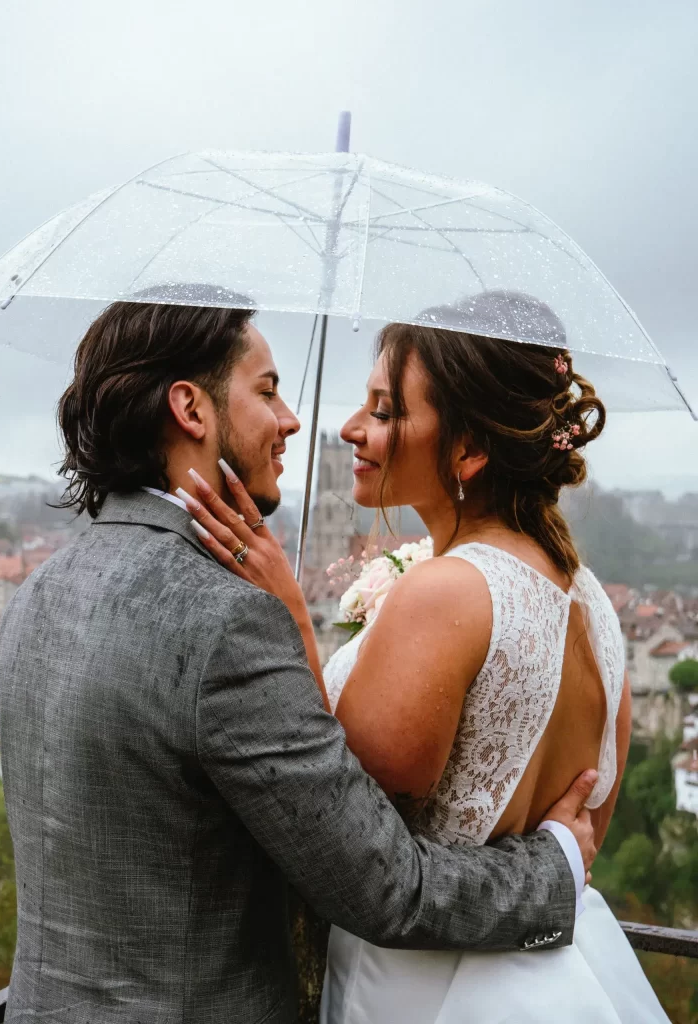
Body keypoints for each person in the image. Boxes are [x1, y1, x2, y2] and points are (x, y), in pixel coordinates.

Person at [0, 297, 597, 1024]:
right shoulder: (227, 622)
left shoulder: (33, 595)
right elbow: (384, 888)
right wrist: (555, 866)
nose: (293, 420)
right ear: (191, 408)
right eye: (267, 390)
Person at [191, 297, 670, 1022]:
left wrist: (290, 614)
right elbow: (585, 836)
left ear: (468, 450)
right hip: (559, 977)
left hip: (422, 990)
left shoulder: (445, 591)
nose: (352, 428)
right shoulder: (592, 604)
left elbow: (334, 819)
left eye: (384, 411)